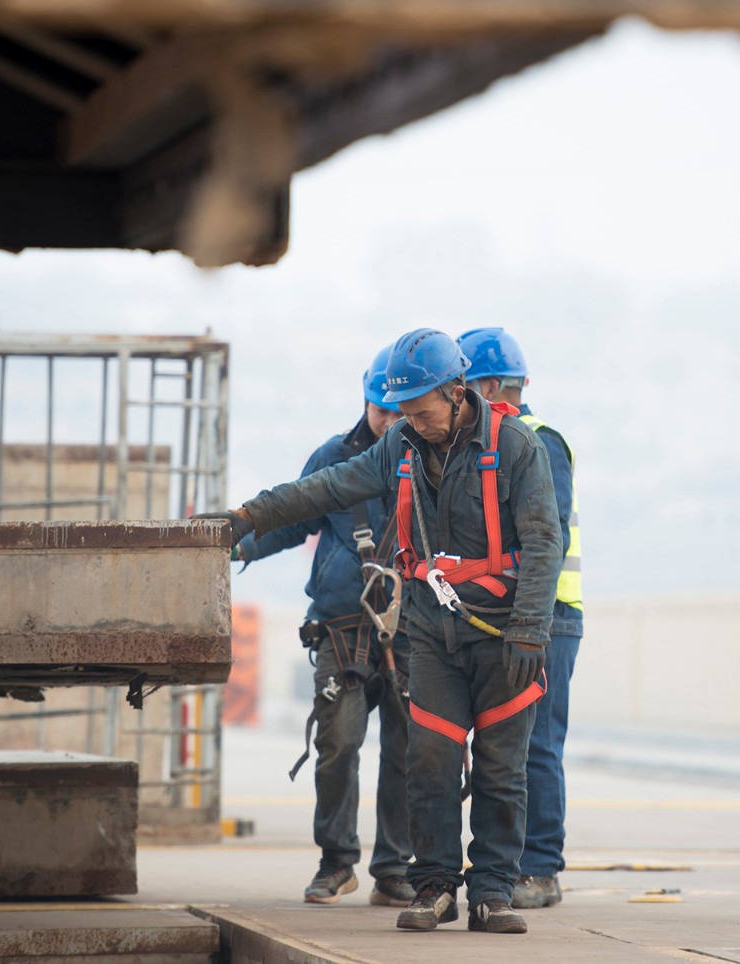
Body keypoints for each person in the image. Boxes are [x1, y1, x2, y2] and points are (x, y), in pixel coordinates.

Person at [206, 328, 563, 935]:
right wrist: (248, 516)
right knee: (428, 760)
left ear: (455, 393)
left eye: (422, 412)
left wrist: (530, 629)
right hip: (430, 631)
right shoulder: (399, 443)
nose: (413, 423)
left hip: (503, 636)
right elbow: (327, 486)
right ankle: (434, 887)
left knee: (502, 769)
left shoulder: (517, 447)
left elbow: (543, 540)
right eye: (404, 413)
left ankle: (493, 892)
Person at [235, 343, 413, 907]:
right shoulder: (333, 457)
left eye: (400, 413)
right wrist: (233, 543)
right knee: (338, 745)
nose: (390, 423)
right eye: (382, 411)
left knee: (409, 752)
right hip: (342, 629)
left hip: (415, 631)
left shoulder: (430, 461)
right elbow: (292, 520)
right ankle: (337, 861)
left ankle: (395, 868)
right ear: (365, 402)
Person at [457, 327, 581, 910]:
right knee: (507, 745)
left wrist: (529, 617)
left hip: (548, 616)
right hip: (511, 615)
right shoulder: (484, 443)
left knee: (537, 744)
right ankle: (511, 865)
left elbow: (544, 539)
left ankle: (540, 868)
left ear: (486, 386)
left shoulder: (536, 441)